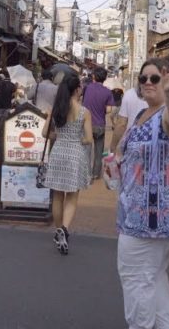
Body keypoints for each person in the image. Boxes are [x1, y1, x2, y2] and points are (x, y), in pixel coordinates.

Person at [112, 58, 169, 329]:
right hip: (137, 216)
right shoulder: (141, 114)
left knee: (137, 280)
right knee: (154, 279)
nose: (148, 82)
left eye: (155, 78)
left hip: (150, 222)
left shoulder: (167, 113)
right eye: (144, 78)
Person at [41, 72, 92, 255]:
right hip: (74, 154)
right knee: (72, 196)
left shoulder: (57, 108)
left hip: (58, 152)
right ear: (77, 89)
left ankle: (58, 230)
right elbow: (88, 139)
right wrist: (76, 138)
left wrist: (58, 134)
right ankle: (64, 229)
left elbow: (45, 133)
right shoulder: (84, 112)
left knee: (57, 196)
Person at [82, 67, 114, 180]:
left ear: (94, 76)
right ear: (105, 78)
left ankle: (86, 173)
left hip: (87, 124)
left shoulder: (87, 88)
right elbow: (109, 110)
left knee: (86, 150)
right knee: (99, 151)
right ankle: (96, 174)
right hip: (100, 125)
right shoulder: (108, 92)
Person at [111, 82, 146, 156]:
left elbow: (121, 124)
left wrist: (113, 147)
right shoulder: (166, 96)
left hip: (132, 144)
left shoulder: (129, 94)